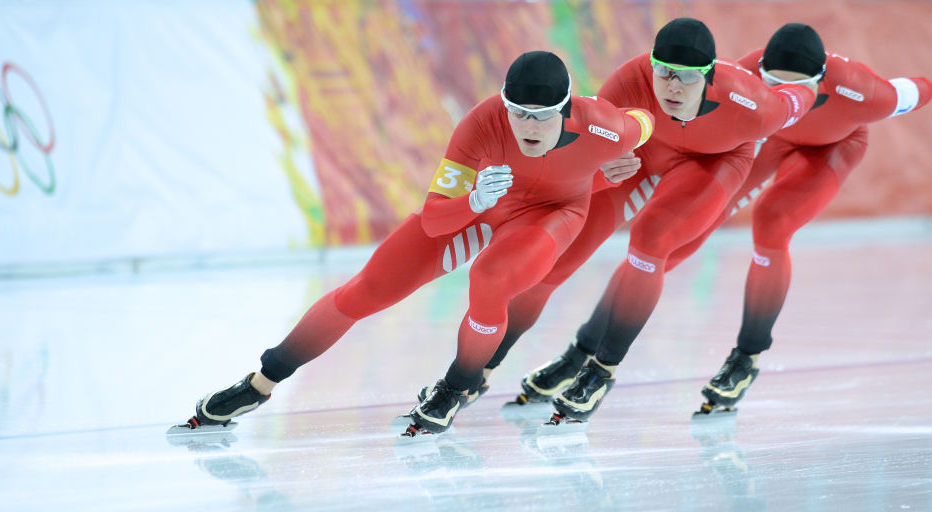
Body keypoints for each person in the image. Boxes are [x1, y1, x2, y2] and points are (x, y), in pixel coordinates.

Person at [174, 50, 654, 436]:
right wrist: (472, 201)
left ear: (566, 111)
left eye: (541, 117)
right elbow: (435, 216)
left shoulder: (602, 125)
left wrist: (619, 161)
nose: (527, 127)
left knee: (490, 279)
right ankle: (261, 382)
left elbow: (644, 121)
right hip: (483, 207)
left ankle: (458, 385)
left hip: (552, 216)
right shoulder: (482, 123)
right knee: (362, 291)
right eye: (518, 114)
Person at [481, 18, 819, 425]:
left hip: (713, 162)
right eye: (664, 72)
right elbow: (588, 141)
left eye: (688, 78)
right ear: (652, 65)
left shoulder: (757, 106)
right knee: (557, 255)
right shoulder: (631, 80)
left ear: (709, 78)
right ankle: (482, 367)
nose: (673, 87)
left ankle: (600, 370)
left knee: (650, 239)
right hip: (643, 153)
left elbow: (800, 95)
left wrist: (816, 81)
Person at [659, 24, 931, 415]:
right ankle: (616, 315)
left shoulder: (868, 93)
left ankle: (746, 356)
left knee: (772, 222)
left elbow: (921, 88)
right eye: (774, 84)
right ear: (761, 73)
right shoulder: (740, 75)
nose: (792, 99)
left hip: (833, 146)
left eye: (802, 89)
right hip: (769, 134)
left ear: (821, 81)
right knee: (704, 207)